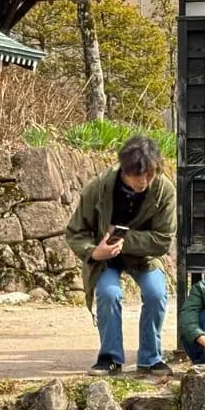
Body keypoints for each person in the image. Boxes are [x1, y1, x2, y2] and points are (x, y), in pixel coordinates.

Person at [64, 135, 176, 376]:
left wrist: (124, 241)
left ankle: (151, 358)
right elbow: (75, 233)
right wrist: (94, 251)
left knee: (156, 294)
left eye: (150, 174)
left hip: (144, 257)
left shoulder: (164, 190)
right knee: (108, 293)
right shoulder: (99, 188)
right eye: (138, 175)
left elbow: (163, 240)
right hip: (105, 257)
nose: (144, 181)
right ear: (124, 170)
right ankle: (110, 358)